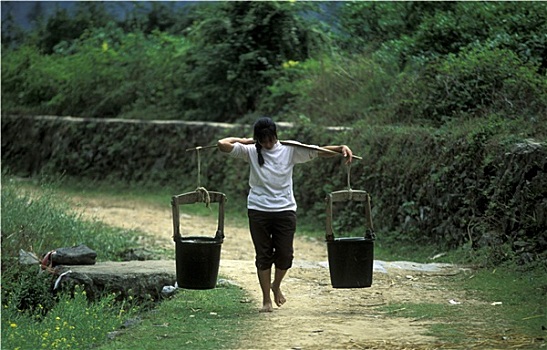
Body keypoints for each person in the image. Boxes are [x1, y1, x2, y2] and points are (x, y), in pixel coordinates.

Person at [217, 117, 353, 312]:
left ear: (276, 136)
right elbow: (222, 145)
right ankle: (266, 300)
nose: (268, 144)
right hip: (258, 210)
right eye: (263, 141)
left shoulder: (290, 149)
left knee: (285, 256)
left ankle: (276, 285)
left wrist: (341, 148)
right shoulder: (250, 151)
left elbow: (318, 151)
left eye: (270, 140)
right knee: (263, 256)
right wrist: (242, 140)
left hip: (285, 210)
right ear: (258, 140)